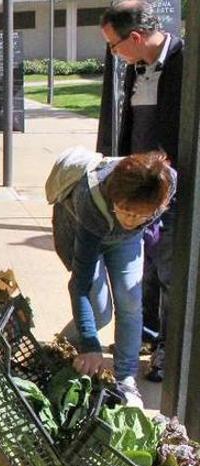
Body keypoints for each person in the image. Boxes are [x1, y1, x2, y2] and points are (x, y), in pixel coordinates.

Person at [97, 1, 183, 381]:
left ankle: (168, 348)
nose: (114, 54)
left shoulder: (185, 63)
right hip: (137, 185)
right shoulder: (136, 67)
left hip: (169, 188)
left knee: (168, 270)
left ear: (134, 37)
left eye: (114, 46)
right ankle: (145, 333)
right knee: (142, 263)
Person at [50, 147, 175, 407]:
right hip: (83, 228)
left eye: (141, 215)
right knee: (100, 310)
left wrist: (137, 220)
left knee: (130, 299)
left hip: (124, 242)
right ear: (115, 199)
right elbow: (80, 285)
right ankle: (63, 350)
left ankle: (126, 379)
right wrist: (90, 343)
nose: (131, 220)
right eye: (126, 212)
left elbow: (141, 218)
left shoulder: (165, 183)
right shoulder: (91, 197)